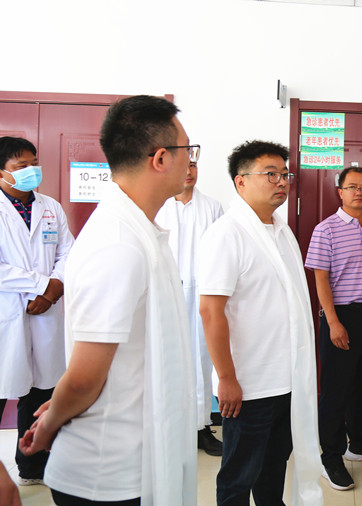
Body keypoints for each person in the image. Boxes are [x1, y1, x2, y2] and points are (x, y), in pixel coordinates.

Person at [19, 95, 198, 505]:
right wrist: (50, 424)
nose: (191, 162)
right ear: (160, 158)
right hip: (105, 473)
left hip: (132, 454)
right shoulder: (117, 243)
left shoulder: (139, 231)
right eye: (187, 150)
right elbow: (84, 378)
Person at [198, 141, 322, 506]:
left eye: (285, 174)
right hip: (249, 385)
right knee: (239, 474)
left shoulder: (281, 231)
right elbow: (211, 311)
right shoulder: (226, 234)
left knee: (273, 466)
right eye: (270, 174)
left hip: (287, 379)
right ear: (241, 181)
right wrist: (226, 378)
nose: (281, 181)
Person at [305, 166, 362, 490]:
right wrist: (333, 322)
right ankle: (331, 457)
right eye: (352, 187)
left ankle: (359, 443)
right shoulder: (325, 230)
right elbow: (320, 279)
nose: (359, 192)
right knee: (336, 391)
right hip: (341, 317)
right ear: (340, 192)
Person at [0, 136, 73, 486]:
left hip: (45, 314)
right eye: (21, 166)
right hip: (6, 313)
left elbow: (68, 252)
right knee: (2, 387)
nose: (32, 170)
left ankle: (32, 467)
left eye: (34, 163)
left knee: (41, 392)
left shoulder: (50, 207)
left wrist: (55, 287)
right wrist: (42, 284)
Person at [155, 159, 224, 456]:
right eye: (183, 165)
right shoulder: (157, 205)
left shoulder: (212, 207)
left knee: (201, 360)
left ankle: (201, 426)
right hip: (166, 292)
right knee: (167, 359)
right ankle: (172, 428)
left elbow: (221, 250)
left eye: (193, 165)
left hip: (202, 293)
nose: (188, 171)